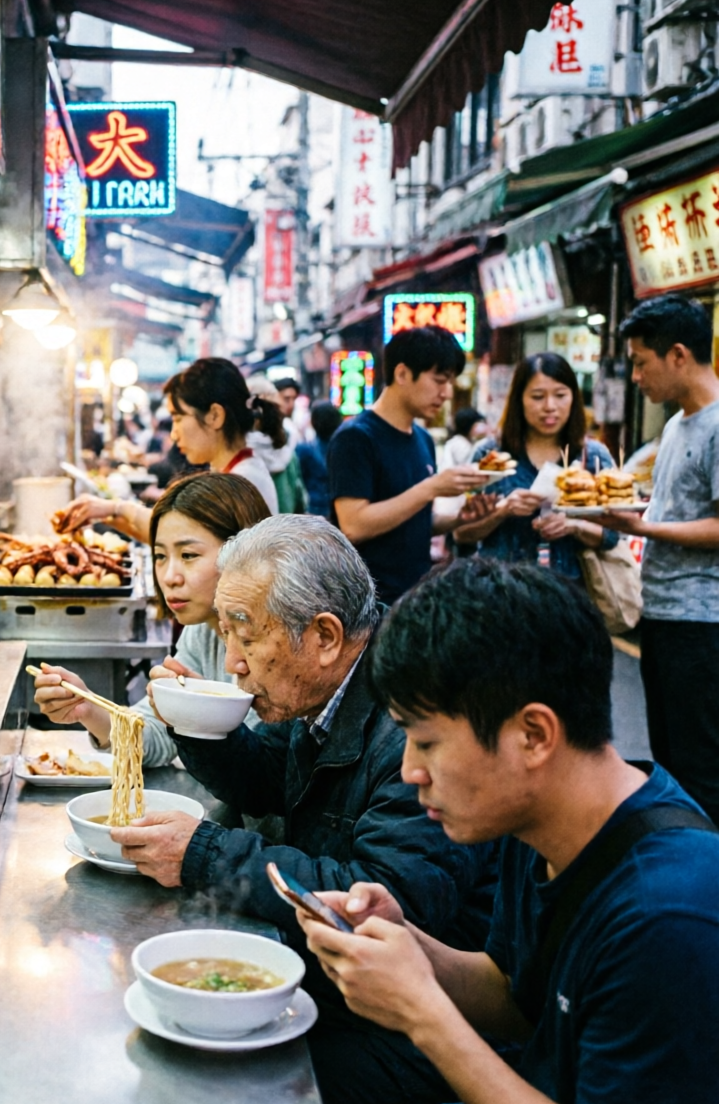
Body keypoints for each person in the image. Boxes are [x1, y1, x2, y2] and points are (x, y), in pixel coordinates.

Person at [298, 559, 719, 1104]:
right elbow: (519, 999)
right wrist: (411, 945)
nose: (409, 771)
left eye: (426, 742)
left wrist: (422, 1014)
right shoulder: (539, 822)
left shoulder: (667, 920)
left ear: (534, 734)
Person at [114, 514, 494, 1104]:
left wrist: (203, 852)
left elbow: (386, 902)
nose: (233, 662)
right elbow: (268, 777)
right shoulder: (325, 689)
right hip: (340, 981)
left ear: (324, 636)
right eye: (224, 634)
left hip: (410, 1027)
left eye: (246, 635)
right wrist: (194, 721)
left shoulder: (412, 723)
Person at [33, 473, 271, 768]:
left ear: (243, 552)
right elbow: (157, 735)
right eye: (160, 556)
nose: (170, 577)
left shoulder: (275, 644)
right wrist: (87, 707)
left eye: (188, 554)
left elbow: (268, 776)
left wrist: (204, 718)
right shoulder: (201, 633)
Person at [599, 294, 719, 822]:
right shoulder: (676, 424)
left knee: (700, 762)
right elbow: (679, 509)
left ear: (677, 355)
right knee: (670, 757)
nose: (638, 378)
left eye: (642, 363)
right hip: (666, 615)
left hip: (703, 622)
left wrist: (641, 525)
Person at [328, 325, 487, 602]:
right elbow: (353, 525)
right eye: (439, 380)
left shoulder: (422, 439)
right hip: (368, 605)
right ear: (402, 373)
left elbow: (415, 521)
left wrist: (459, 519)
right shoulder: (356, 437)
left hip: (414, 597)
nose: (447, 393)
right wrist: (431, 488)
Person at [57, 357, 282, 539]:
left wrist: (116, 509)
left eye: (178, 418)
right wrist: (111, 512)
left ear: (214, 415)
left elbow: (179, 535)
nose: (174, 434)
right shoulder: (232, 472)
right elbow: (179, 534)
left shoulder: (243, 482)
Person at [454, 353, 618, 579]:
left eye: (560, 395)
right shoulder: (490, 456)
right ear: (519, 399)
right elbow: (461, 533)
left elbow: (612, 535)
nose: (550, 406)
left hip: (571, 597)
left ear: (573, 397)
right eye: (538, 396)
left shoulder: (593, 457)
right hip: (502, 594)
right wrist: (502, 511)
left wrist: (574, 525)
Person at [248, 373, 307, 514]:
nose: (290, 404)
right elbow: (299, 500)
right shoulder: (288, 448)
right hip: (284, 529)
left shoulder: (238, 452)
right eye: (286, 399)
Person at [297, 400, 343, 519]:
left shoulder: (303, 450)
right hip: (339, 510)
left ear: (313, 422)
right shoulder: (345, 450)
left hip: (312, 510)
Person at [442, 405, 487, 469]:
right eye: (476, 425)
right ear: (468, 426)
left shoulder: (466, 441)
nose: (479, 428)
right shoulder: (459, 443)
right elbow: (467, 465)